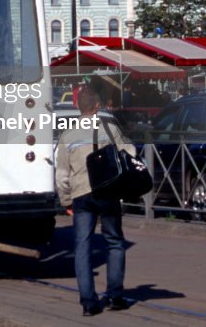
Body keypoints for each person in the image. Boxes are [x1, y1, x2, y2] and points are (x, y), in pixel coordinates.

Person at [56, 79, 136, 316]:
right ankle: (115, 296)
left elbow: (61, 175)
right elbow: (130, 152)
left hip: (81, 195)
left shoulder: (67, 134)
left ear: (78, 107)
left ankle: (89, 304)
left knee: (82, 246)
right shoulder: (109, 127)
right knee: (114, 241)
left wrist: (66, 201)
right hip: (108, 192)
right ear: (98, 105)